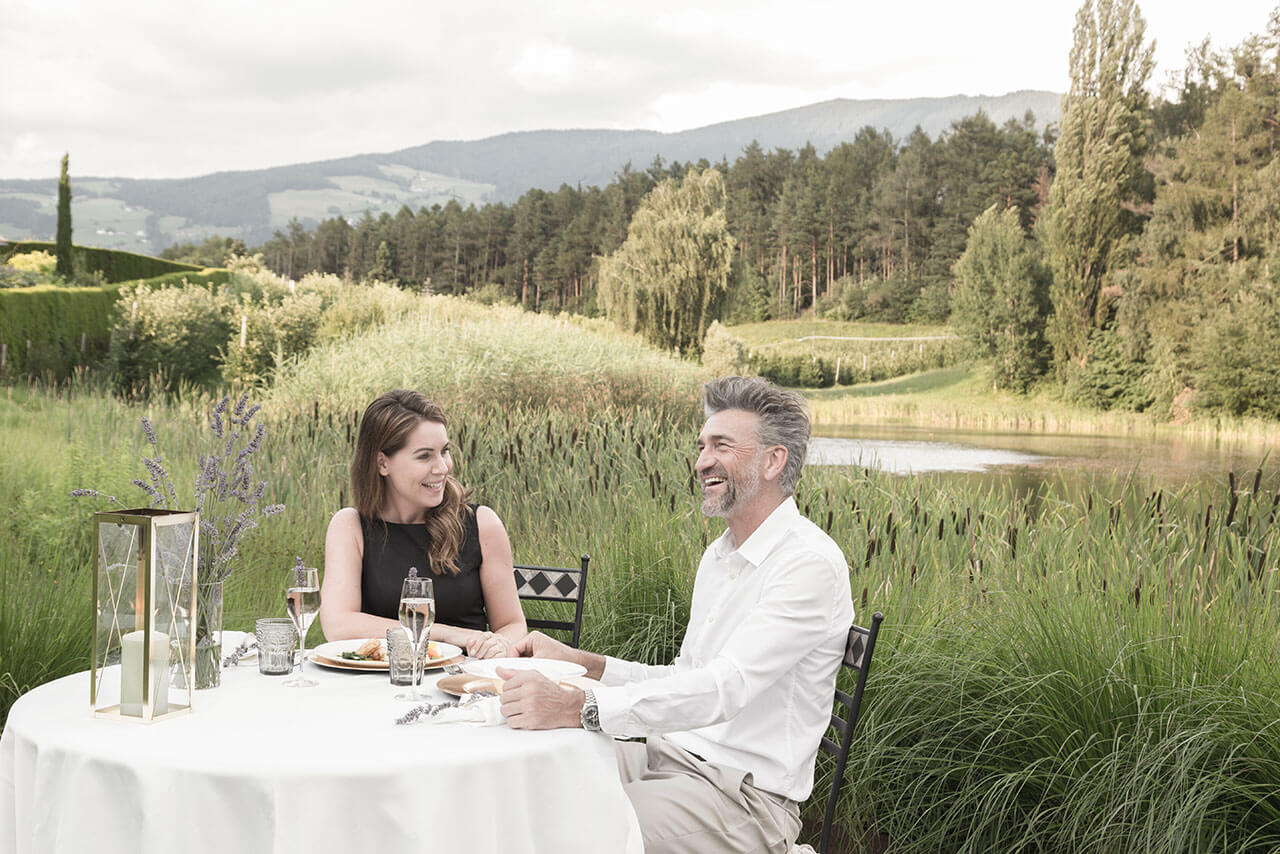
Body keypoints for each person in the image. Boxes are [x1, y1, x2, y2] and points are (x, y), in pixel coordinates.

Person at [497, 375, 854, 853]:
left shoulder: (807, 564)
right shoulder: (720, 555)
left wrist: (577, 706)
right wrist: (583, 664)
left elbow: (724, 688)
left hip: (743, 800)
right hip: (670, 757)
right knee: (520, 772)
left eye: (721, 446)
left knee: (570, 833)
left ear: (773, 461)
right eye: (702, 446)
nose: (702, 461)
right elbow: (685, 676)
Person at [320, 389, 526, 659]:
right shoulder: (350, 527)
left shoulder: (482, 524)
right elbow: (338, 625)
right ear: (383, 463)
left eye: (445, 451)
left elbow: (512, 624)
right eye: (424, 456)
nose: (442, 467)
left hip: (465, 678)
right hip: (379, 679)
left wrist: (497, 645)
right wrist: (446, 634)